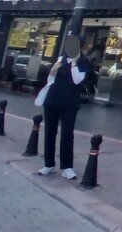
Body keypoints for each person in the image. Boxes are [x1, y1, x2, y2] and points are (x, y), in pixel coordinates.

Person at [36, 36, 90, 179]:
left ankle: (67, 167)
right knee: (49, 132)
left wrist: (73, 64)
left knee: (67, 133)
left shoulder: (83, 61)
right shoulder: (60, 59)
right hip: (53, 100)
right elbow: (50, 80)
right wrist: (52, 70)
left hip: (70, 102)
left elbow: (78, 80)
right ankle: (49, 164)